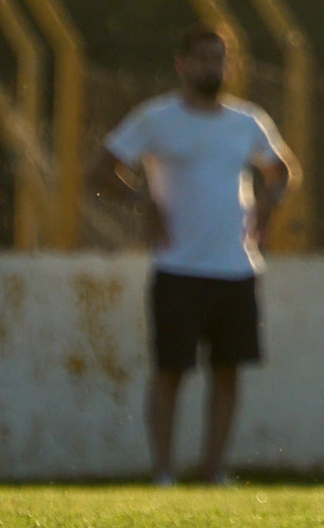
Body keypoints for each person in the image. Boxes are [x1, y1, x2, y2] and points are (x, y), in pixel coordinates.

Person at [93, 26, 298, 485]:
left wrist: (270, 202)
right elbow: (102, 168)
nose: (212, 67)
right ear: (182, 63)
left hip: (236, 267)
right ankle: (163, 472)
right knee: (170, 371)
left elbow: (282, 171)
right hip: (177, 266)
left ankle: (213, 472)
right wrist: (142, 202)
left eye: (219, 58)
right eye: (203, 58)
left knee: (228, 372)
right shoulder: (156, 118)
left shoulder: (248, 120)